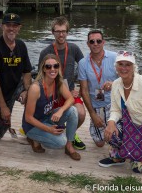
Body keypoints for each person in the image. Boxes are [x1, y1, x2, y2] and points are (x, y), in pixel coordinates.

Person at [38, 16, 86, 150]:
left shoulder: (74, 49)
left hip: (69, 91)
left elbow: (84, 69)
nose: (61, 34)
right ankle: (43, 130)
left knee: (81, 113)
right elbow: (40, 77)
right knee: (44, 114)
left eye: (63, 31)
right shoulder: (45, 52)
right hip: (52, 94)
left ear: (67, 32)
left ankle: (72, 134)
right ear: (52, 32)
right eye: (58, 31)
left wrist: (80, 89)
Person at [22, 54, 81, 161]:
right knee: (60, 142)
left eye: (56, 66)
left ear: (59, 67)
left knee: (72, 110)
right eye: (48, 67)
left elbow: (71, 99)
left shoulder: (58, 82)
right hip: (32, 125)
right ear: (43, 69)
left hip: (47, 117)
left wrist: (61, 111)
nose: (52, 69)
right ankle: (33, 138)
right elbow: (28, 118)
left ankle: (69, 146)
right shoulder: (35, 88)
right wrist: (48, 129)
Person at [0, 13, 32, 140]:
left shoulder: (21, 45)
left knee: (36, 94)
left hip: (15, 87)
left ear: (19, 27)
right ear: (2, 26)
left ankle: (30, 131)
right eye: (8, 25)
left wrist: (27, 91)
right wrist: (3, 106)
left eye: (15, 26)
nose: (11, 29)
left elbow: (27, 72)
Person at [78, 30, 118, 147]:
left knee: (116, 137)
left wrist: (114, 83)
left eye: (98, 41)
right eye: (92, 41)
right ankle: (99, 122)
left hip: (115, 105)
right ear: (88, 44)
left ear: (103, 42)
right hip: (97, 106)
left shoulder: (115, 57)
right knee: (100, 143)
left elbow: (129, 78)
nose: (95, 44)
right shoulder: (82, 63)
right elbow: (84, 90)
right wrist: (92, 114)